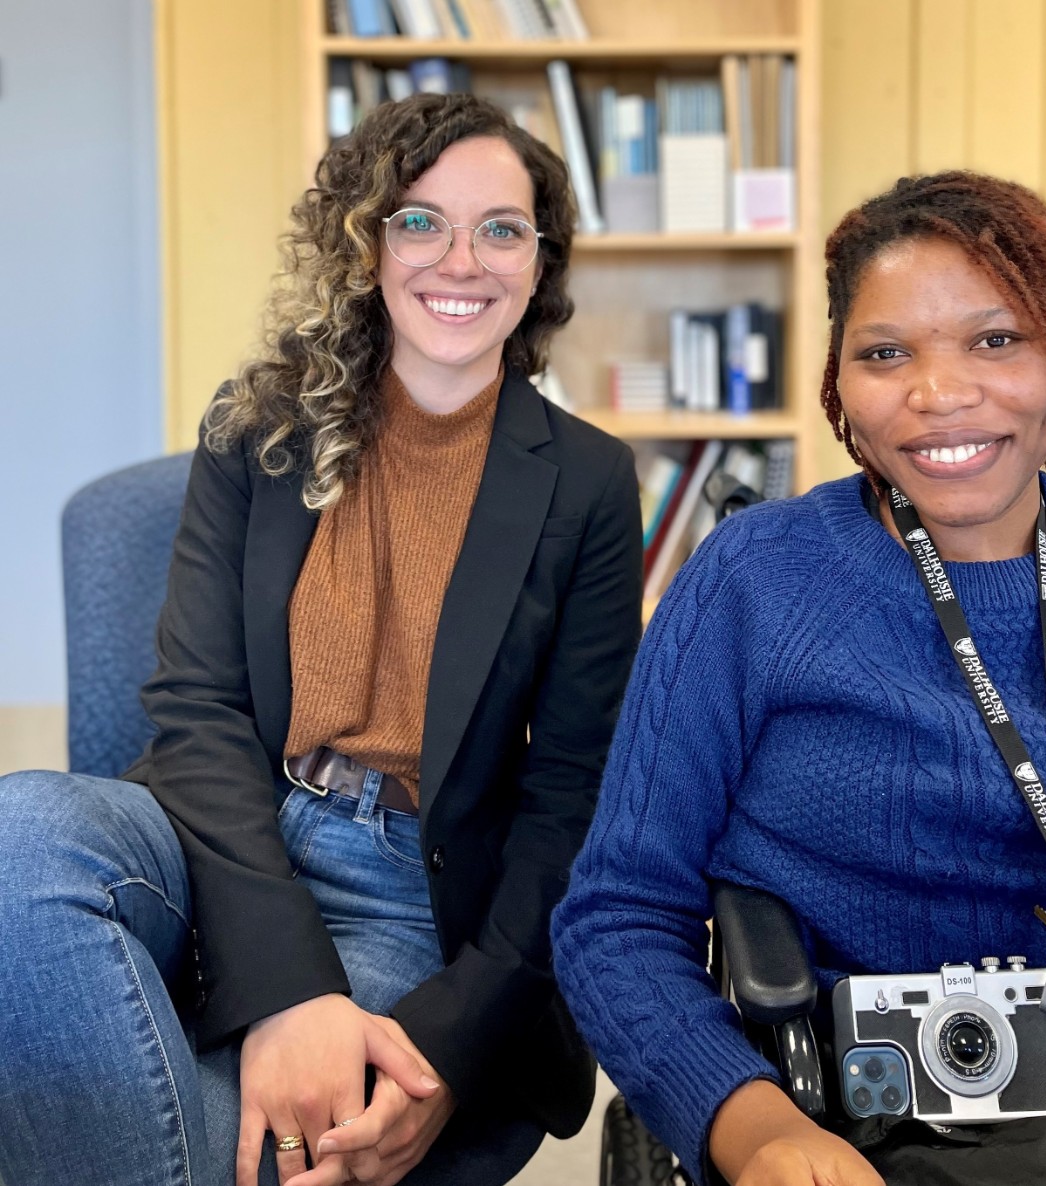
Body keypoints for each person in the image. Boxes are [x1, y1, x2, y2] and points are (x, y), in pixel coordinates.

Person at [552, 171, 1046, 1186]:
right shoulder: (753, 580)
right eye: (885, 353)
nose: (938, 392)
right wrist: (756, 1130)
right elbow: (616, 916)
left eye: (995, 340)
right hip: (867, 1114)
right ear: (838, 386)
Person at [0, 92, 641, 1186]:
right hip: (220, 828)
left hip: (407, 883)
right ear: (367, 241)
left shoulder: (584, 481)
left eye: (501, 228)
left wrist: (446, 1036)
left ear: (539, 265)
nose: (461, 259)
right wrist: (292, 990)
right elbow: (195, 706)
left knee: (272, 1150)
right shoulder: (257, 427)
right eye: (419, 221)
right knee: (22, 832)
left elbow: (570, 797)